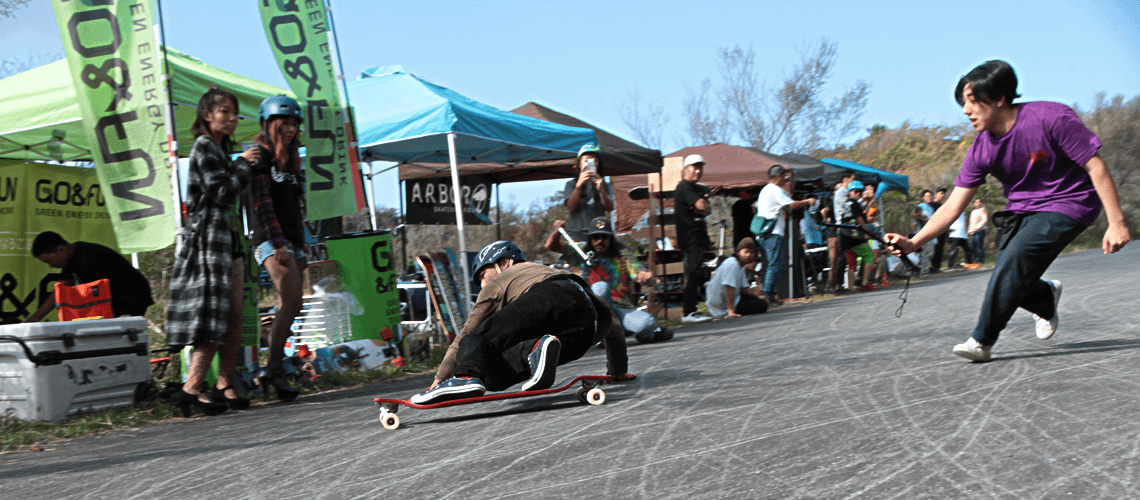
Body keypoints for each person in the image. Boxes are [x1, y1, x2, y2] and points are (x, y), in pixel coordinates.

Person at [886, 59, 1130, 362]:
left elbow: (1096, 167)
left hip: (1071, 201)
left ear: (1000, 98)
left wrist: (1116, 222)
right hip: (1021, 210)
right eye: (963, 102)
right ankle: (1045, 298)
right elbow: (952, 205)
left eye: (972, 101)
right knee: (1009, 272)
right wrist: (912, 243)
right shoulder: (982, 148)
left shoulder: (1051, 118)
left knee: (1014, 261)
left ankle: (981, 341)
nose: (965, 110)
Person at [410, 241, 634, 405]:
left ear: (503, 263)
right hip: (590, 323)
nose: (482, 284)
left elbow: (469, 331)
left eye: (482, 276)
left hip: (550, 295)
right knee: (494, 376)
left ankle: (465, 377)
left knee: (476, 338)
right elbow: (614, 328)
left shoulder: (503, 278)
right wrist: (618, 371)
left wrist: (439, 380)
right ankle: (536, 348)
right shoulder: (552, 271)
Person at [165, 86, 260, 417]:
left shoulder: (222, 151)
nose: (232, 119)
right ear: (207, 115)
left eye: (235, 113)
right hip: (208, 242)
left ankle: (223, 383)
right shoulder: (204, 147)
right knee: (213, 315)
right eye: (225, 112)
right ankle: (190, 388)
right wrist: (244, 165)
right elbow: (222, 192)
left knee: (235, 313)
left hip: (229, 241)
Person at [250, 95, 307, 402]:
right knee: (290, 300)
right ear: (268, 123)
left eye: (295, 123)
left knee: (294, 304)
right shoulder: (260, 155)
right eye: (284, 123)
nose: (290, 128)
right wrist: (280, 245)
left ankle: (274, 366)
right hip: (271, 239)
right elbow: (262, 205)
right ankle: (273, 368)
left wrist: (301, 244)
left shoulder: (292, 159)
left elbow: (295, 207)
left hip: (292, 240)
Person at [544, 217, 673, 344]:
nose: (600, 241)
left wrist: (645, 276)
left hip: (620, 307)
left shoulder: (623, 253)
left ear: (611, 238)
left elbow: (638, 272)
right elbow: (551, 246)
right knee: (600, 287)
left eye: (604, 237)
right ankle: (604, 332)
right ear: (590, 238)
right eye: (595, 237)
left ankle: (638, 334)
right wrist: (557, 231)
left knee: (647, 323)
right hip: (592, 309)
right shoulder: (580, 250)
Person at [26, 232, 154, 322]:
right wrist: (36, 317)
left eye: (50, 261)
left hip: (131, 297)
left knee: (120, 336)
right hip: (116, 299)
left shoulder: (86, 259)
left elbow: (91, 300)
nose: (51, 266)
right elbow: (59, 292)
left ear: (60, 250)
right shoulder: (71, 257)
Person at [754, 164, 816, 303]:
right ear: (777, 177)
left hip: (768, 233)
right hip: (773, 233)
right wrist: (807, 201)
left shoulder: (768, 189)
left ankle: (769, 294)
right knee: (775, 264)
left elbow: (786, 197)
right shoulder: (774, 189)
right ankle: (768, 295)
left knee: (777, 264)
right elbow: (790, 205)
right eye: (783, 175)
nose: (785, 178)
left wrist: (790, 181)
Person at [673, 154, 714, 323]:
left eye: (700, 167)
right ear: (686, 169)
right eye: (694, 167)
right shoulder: (685, 186)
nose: (698, 170)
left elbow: (708, 210)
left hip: (696, 236)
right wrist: (702, 202)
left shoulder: (695, 188)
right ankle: (689, 312)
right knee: (693, 273)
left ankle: (690, 311)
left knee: (695, 273)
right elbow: (703, 206)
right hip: (691, 236)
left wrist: (703, 203)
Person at [562, 144, 614, 242]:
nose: (591, 163)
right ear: (580, 164)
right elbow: (571, 207)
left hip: (598, 235)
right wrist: (579, 185)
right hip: (576, 235)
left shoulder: (605, 185)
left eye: (595, 161)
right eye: (587, 161)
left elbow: (610, 208)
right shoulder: (571, 184)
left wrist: (601, 190)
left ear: (599, 164)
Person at [705, 238, 768, 319]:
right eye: (746, 251)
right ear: (738, 252)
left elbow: (744, 289)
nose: (749, 255)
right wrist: (731, 312)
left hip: (730, 299)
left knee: (759, 301)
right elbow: (730, 289)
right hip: (720, 307)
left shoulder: (740, 265)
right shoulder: (732, 264)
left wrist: (758, 296)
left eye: (751, 252)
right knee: (762, 305)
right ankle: (731, 310)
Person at [838, 181, 877, 291]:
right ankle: (865, 283)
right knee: (869, 255)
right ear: (850, 192)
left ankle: (851, 288)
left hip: (844, 236)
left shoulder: (845, 204)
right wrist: (865, 232)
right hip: (852, 236)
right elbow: (859, 220)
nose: (858, 193)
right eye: (856, 191)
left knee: (852, 263)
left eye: (860, 191)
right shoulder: (854, 204)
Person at [911, 189, 936, 275]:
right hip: (923, 233)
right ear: (923, 197)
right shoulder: (921, 205)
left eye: (931, 196)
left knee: (930, 253)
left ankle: (922, 269)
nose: (930, 197)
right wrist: (923, 219)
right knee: (927, 252)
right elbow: (913, 214)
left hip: (930, 233)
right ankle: (924, 272)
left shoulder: (931, 208)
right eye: (927, 196)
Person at [968, 198, 989, 264]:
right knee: (973, 246)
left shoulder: (982, 209)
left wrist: (978, 227)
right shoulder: (973, 211)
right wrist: (969, 230)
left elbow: (984, 219)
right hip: (973, 231)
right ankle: (973, 260)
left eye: (979, 202)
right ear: (974, 203)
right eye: (976, 202)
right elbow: (971, 222)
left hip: (980, 230)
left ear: (981, 203)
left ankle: (981, 260)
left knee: (979, 245)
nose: (978, 203)